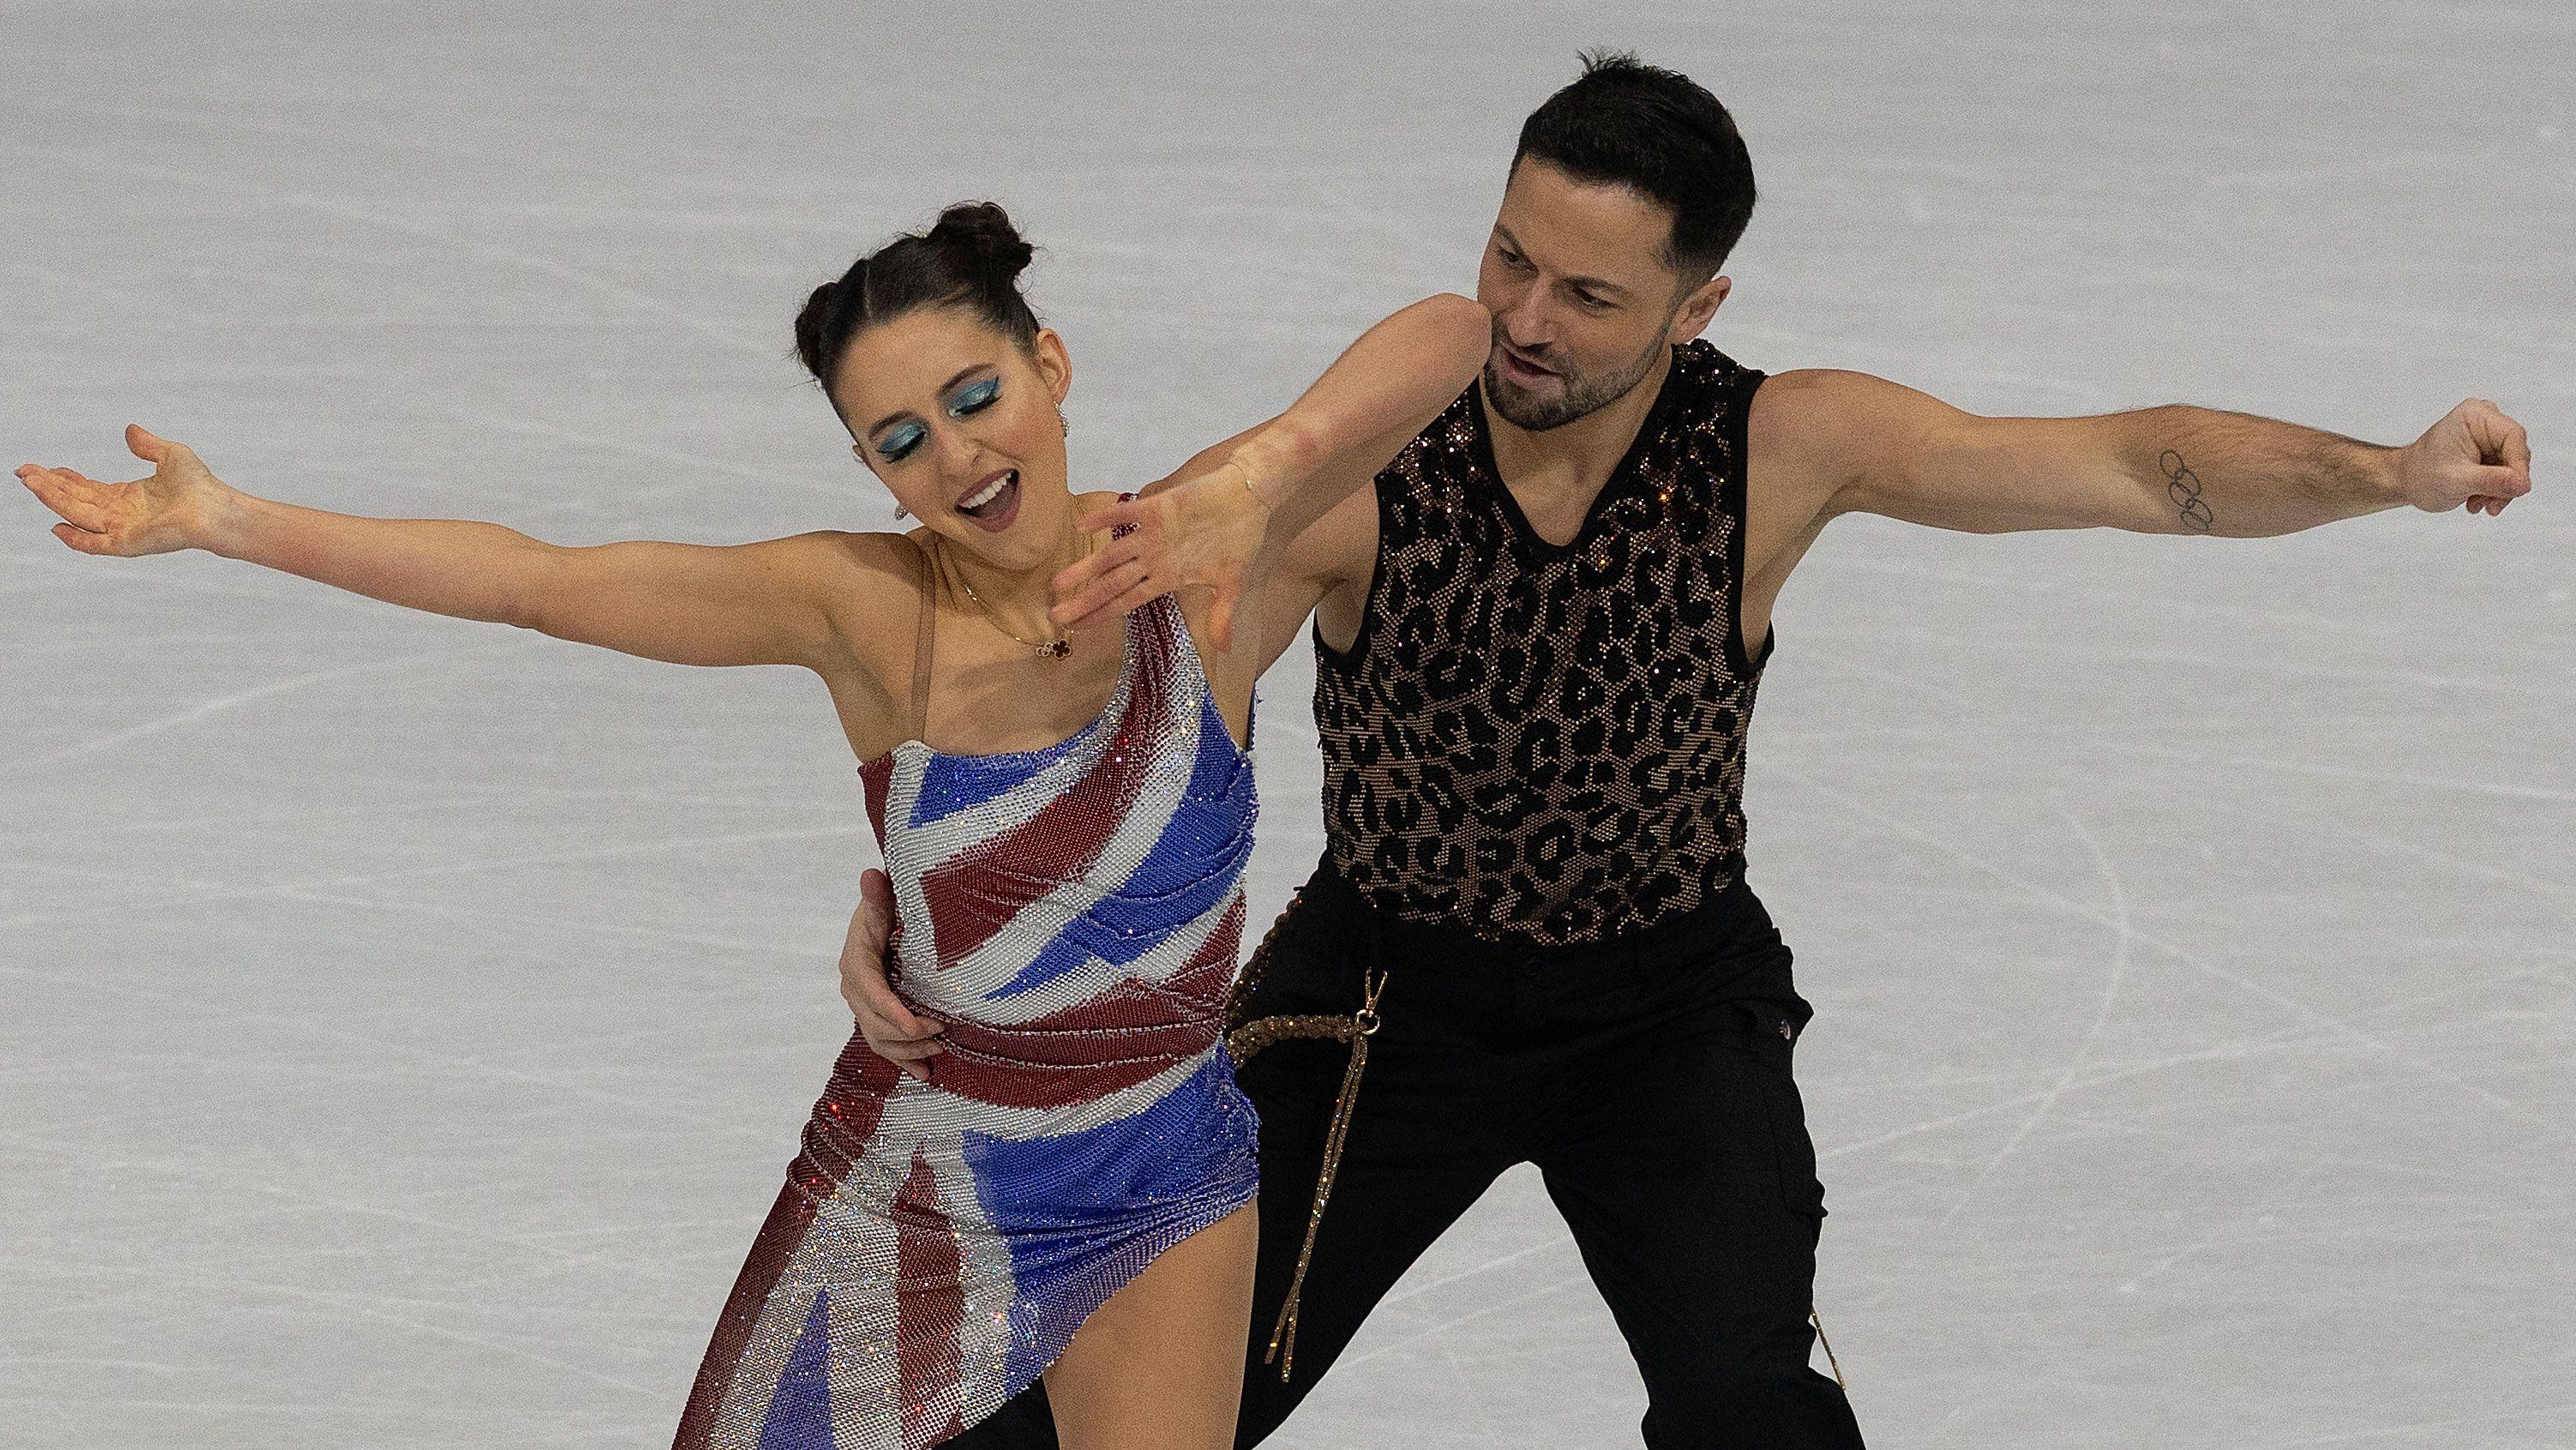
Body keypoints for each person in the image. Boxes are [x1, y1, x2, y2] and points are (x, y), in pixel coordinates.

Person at [839, 54, 2537, 1450]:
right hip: (1380, 1008)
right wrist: (927, 893)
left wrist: (2384, 469)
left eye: (1588, 292)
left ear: (1699, 299)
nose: (1524, 317)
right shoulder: (1365, 476)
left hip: (1669, 1013)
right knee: (1113, 1418)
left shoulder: (1781, 447)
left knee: (1761, 1425)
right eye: (1511, 259)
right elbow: (1116, 721)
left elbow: (2139, 466)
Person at [14, 202, 1491, 1450]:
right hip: (920, 1181)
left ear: (1046, 365)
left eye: (977, 397)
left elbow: (1453, 332)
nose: (959, 458)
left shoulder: (1200, 553)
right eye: (901, 438)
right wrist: (232, 523)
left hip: (1165, 1172)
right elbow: (542, 580)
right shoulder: (858, 612)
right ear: (869, 469)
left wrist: (1260, 464)